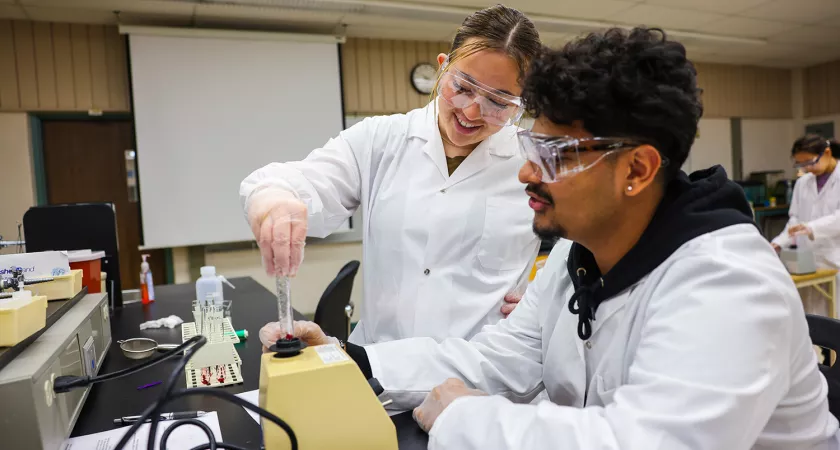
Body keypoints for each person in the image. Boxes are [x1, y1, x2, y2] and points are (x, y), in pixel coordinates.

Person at [267, 27, 840, 449]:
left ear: (636, 171)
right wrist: (355, 359)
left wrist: (463, 418)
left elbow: (647, 442)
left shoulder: (729, 283)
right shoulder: (577, 253)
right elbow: (506, 357)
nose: (524, 174)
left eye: (552, 156)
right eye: (529, 148)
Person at [243, 5, 542, 346]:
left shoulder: (533, 161)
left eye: (499, 102)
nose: (471, 111)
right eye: (463, 87)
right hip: (379, 369)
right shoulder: (380, 139)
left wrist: (548, 297)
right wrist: (273, 200)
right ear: (442, 68)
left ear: (521, 103)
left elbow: (588, 246)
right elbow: (292, 183)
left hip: (483, 378)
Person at [772, 135, 840, 316]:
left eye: (810, 162)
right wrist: (779, 242)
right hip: (808, 263)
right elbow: (795, 220)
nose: (807, 168)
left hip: (835, 258)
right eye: (801, 164)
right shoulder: (803, 183)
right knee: (812, 315)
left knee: (836, 314)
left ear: (827, 153)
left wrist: (812, 228)